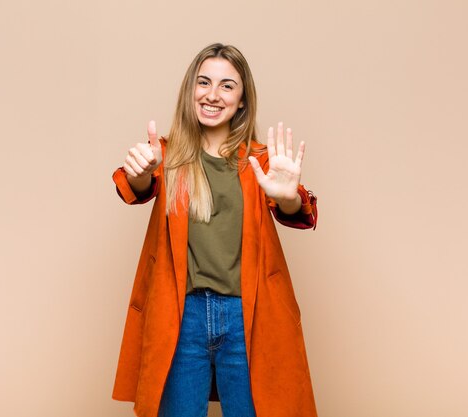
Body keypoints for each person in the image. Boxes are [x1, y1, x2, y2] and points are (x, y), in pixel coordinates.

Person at [111, 43, 319, 417]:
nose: (212, 94)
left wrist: (288, 196)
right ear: (190, 90)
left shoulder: (261, 161)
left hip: (247, 316)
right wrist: (140, 173)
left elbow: (295, 210)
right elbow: (136, 187)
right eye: (203, 82)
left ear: (241, 100)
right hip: (182, 316)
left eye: (227, 86)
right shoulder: (165, 154)